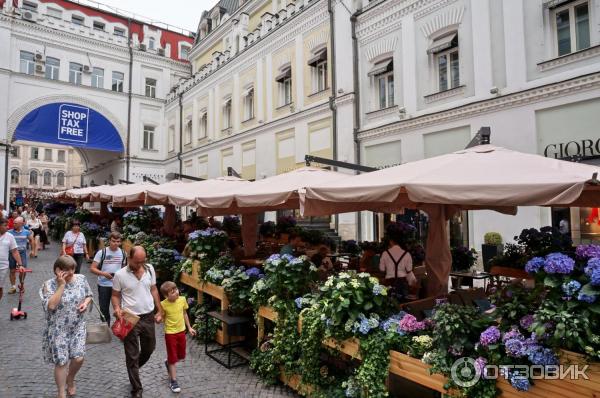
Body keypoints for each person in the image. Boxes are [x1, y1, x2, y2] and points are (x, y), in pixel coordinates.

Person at [112, 246, 163, 398]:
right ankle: (137, 389)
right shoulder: (120, 275)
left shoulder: (150, 269)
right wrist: (116, 308)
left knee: (149, 348)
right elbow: (115, 295)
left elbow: (153, 289)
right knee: (132, 355)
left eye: (143, 261)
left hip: (148, 316)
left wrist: (160, 310)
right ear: (129, 258)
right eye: (137, 262)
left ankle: (132, 368)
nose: (140, 264)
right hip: (129, 317)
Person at [39, 255, 93, 398]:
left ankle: (70, 378)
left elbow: (89, 295)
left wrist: (85, 303)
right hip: (58, 329)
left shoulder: (81, 279)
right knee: (61, 361)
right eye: (67, 271)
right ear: (58, 270)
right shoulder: (48, 285)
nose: (70, 274)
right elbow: (51, 305)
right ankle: (61, 392)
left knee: (78, 358)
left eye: (72, 270)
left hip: (78, 326)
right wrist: (61, 285)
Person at [159, 281, 196, 393]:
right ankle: (173, 381)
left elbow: (185, 313)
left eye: (176, 290)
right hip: (170, 333)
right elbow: (161, 317)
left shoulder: (182, 300)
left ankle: (168, 362)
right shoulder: (163, 304)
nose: (176, 293)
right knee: (173, 358)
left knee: (181, 356)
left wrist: (189, 328)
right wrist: (159, 319)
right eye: (172, 292)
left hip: (181, 331)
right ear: (166, 296)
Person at [90, 232, 127, 325]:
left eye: (118, 241)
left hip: (118, 285)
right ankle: (106, 327)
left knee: (119, 307)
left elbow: (124, 269)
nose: (115, 243)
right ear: (109, 241)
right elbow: (92, 268)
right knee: (104, 308)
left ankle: (120, 327)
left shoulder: (123, 253)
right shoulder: (102, 252)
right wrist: (104, 273)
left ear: (120, 242)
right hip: (104, 284)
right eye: (113, 241)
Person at [379, 229, 416, 302]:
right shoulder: (407, 254)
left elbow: (382, 269)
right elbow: (409, 271)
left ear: (391, 241)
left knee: (389, 303)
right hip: (402, 284)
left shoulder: (385, 254)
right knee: (401, 305)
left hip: (389, 283)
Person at [8, 217, 33, 294]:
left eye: (15, 223)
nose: (13, 224)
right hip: (12, 253)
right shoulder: (9, 232)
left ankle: (21, 284)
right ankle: (13, 287)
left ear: (21, 224)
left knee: (23, 270)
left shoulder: (26, 232)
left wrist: (32, 250)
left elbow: (32, 240)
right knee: (12, 270)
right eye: (14, 223)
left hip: (22, 253)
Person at [0, 218, 23, 302]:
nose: (7, 227)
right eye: (5, 225)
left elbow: (15, 251)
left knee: (0, 288)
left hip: (3, 267)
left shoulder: (10, 236)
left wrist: (20, 265)